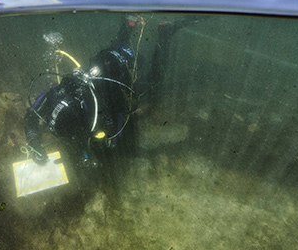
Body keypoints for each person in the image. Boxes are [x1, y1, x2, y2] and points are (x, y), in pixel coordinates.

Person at [23, 15, 194, 172]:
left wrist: (95, 153)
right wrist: (33, 141)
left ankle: (165, 34)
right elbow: (31, 114)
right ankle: (129, 24)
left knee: (154, 82)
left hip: (122, 70)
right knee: (110, 55)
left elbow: (119, 119)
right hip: (102, 61)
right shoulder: (59, 92)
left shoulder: (94, 112)